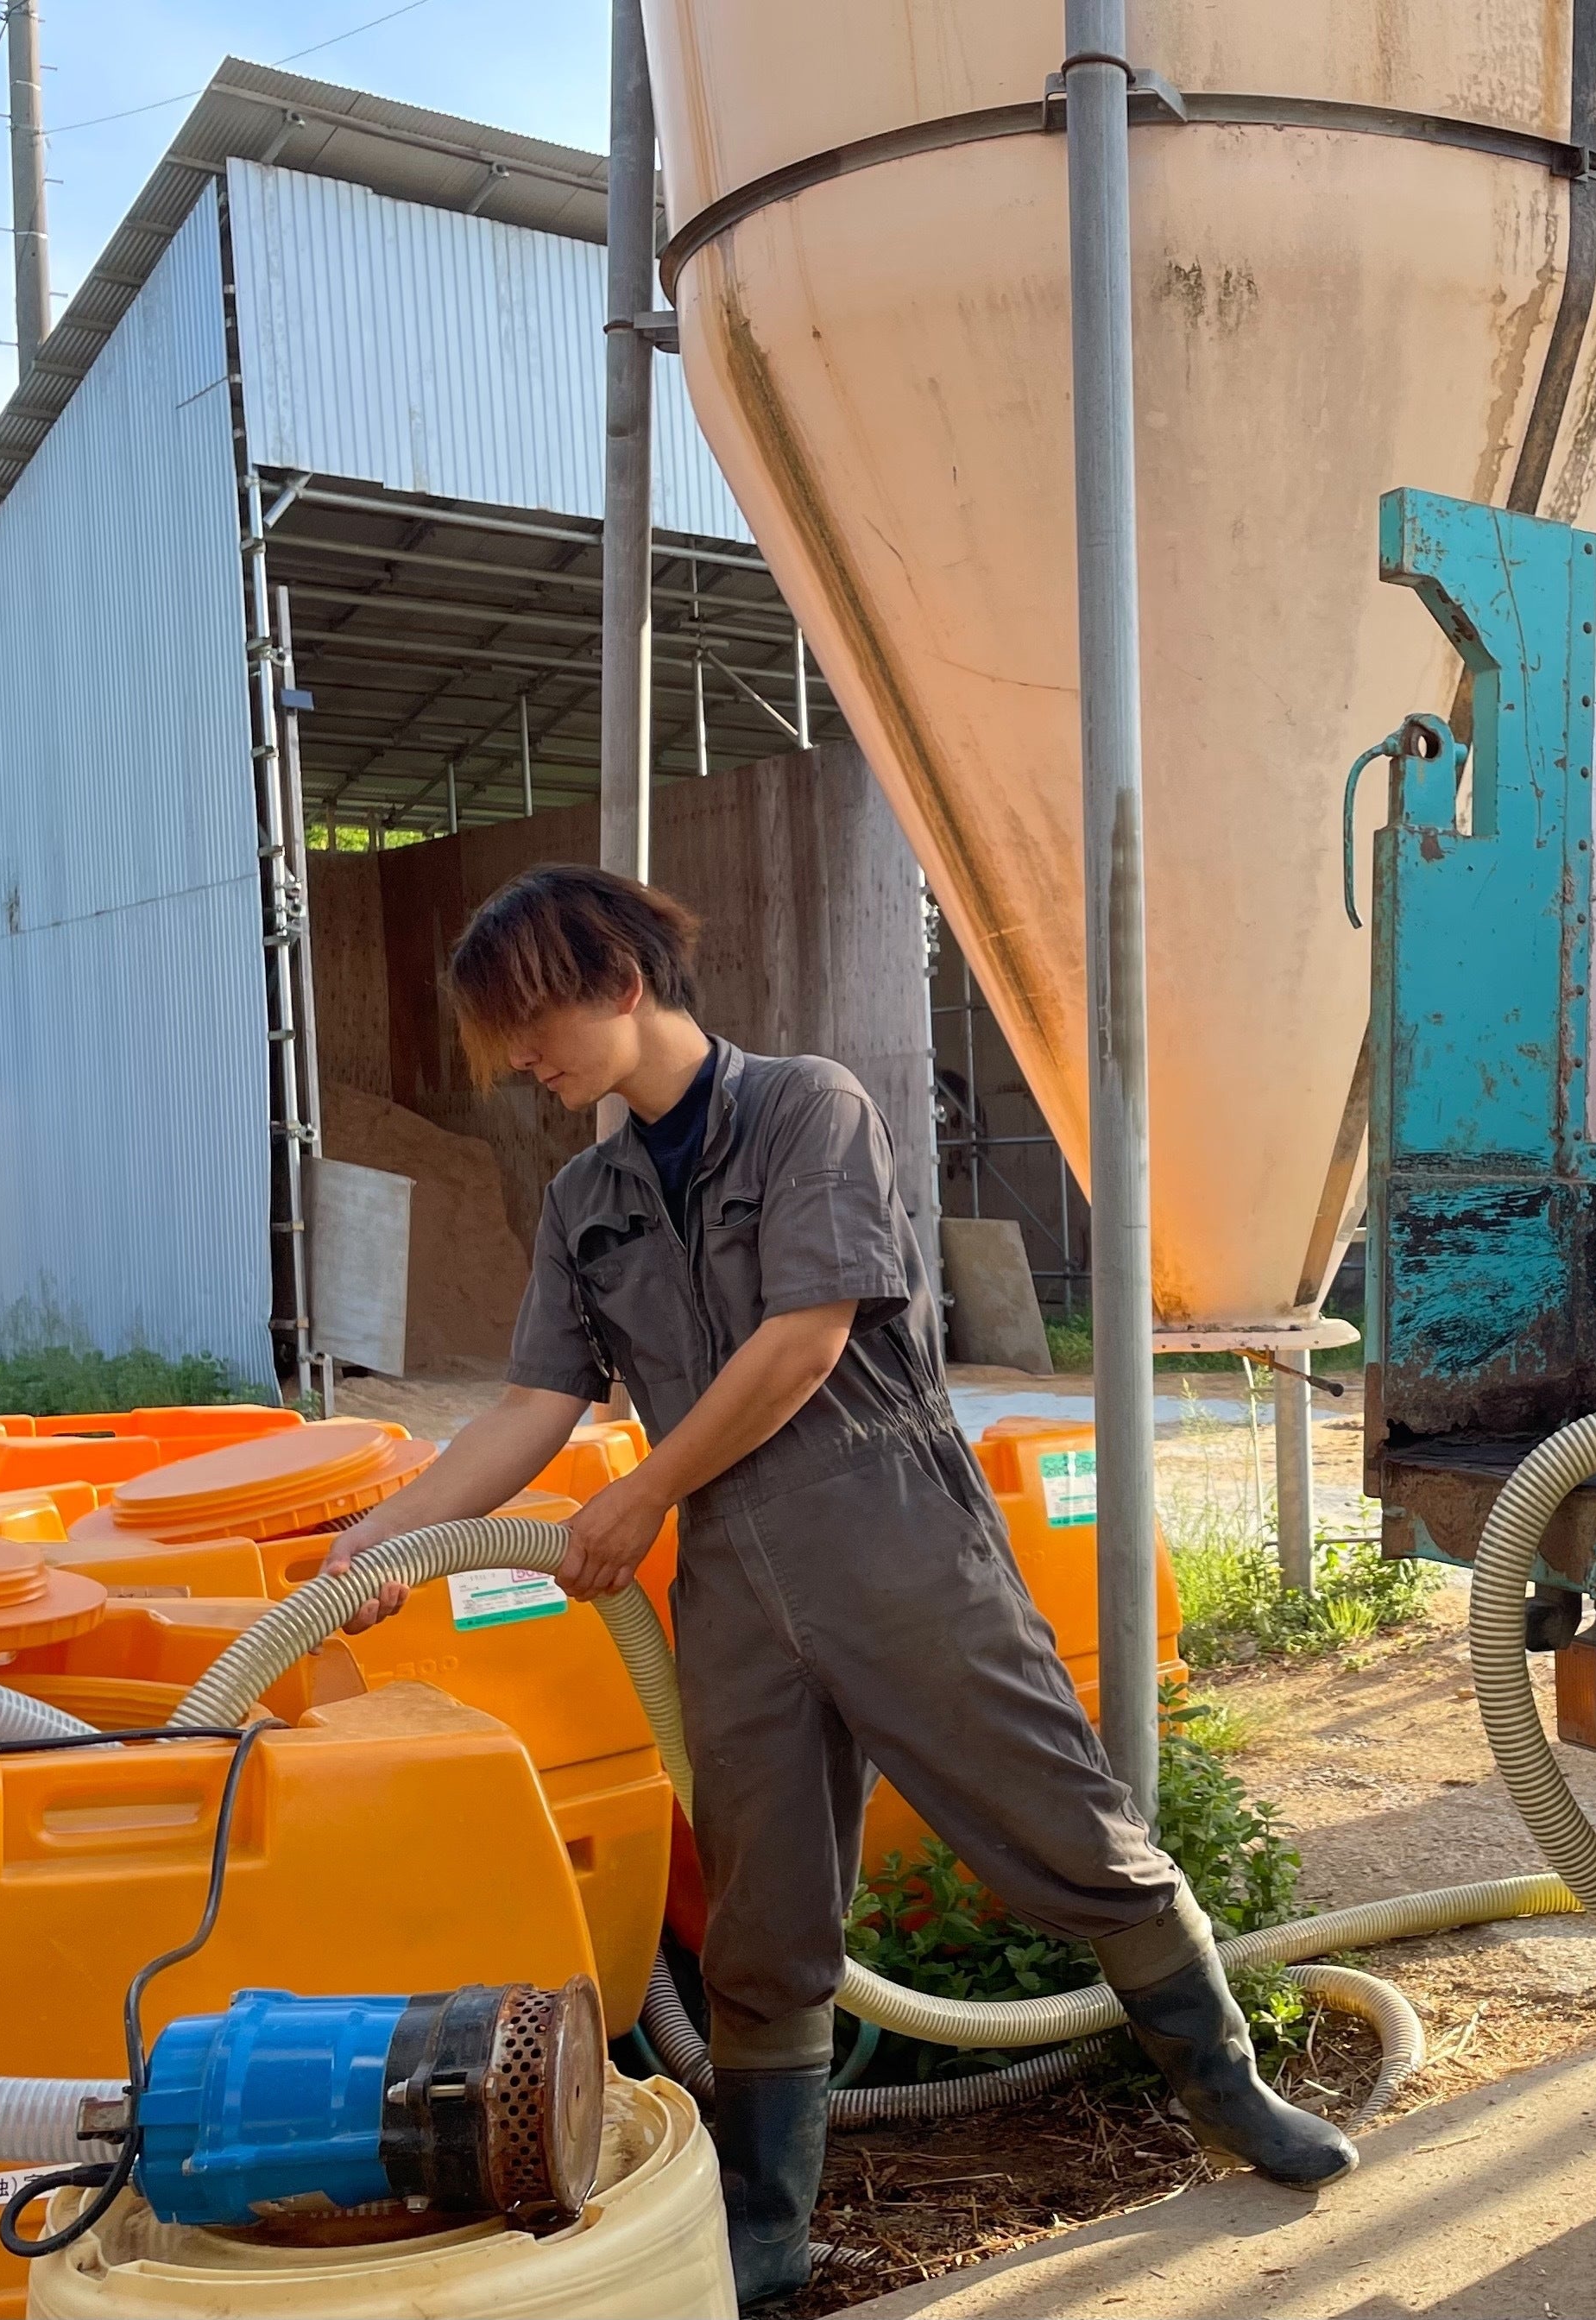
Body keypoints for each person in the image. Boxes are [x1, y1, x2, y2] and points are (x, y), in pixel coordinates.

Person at [327, 865, 1352, 2314]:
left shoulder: (809, 1108)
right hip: (734, 1587)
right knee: (761, 1908)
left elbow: (803, 1341)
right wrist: (380, 1539)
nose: (519, 1062)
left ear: (621, 983)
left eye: (531, 1023)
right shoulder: (584, 1198)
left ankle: (1226, 2091)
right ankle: (766, 2221)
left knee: (1062, 1826)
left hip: (894, 1544)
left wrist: (642, 1492)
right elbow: (531, 1405)